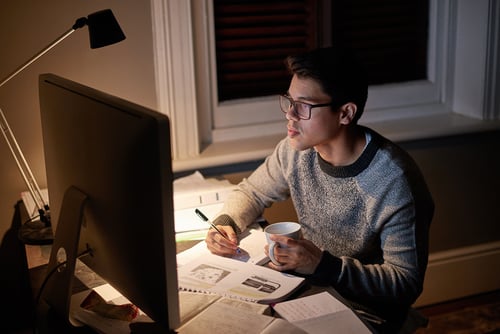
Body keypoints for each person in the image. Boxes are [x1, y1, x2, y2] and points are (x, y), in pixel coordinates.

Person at [205, 47, 434, 332]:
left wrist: (325, 266)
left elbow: (405, 284)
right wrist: (225, 223)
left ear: (345, 113)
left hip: (368, 314)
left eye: (304, 105)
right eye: (289, 101)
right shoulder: (295, 151)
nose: (290, 115)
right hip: (306, 291)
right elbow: (251, 192)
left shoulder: (394, 181)